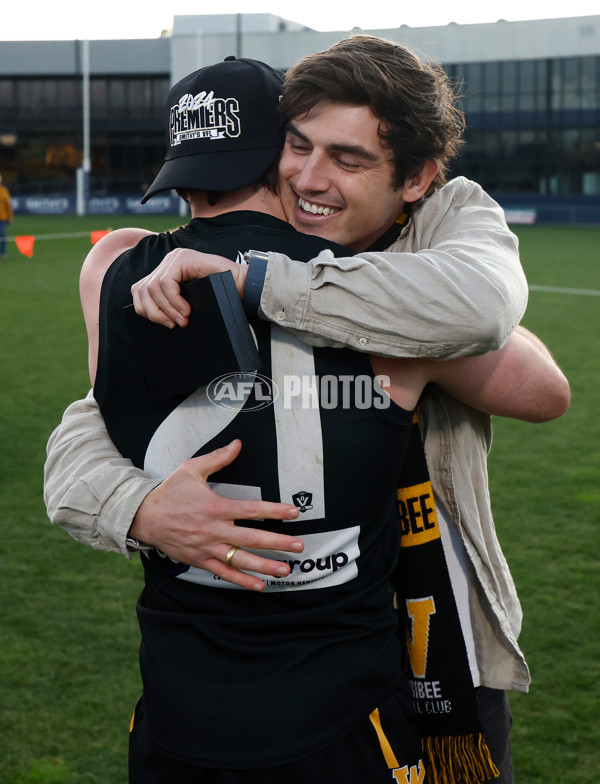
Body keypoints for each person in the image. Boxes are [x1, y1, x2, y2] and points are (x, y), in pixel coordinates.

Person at [43, 37, 569, 783]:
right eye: (296, 147)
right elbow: (91, 422)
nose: (310, 178)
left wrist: (257, 280)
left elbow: (532, 375)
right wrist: (138, 508)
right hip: (318, 679)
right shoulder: (169, 274)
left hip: (435, 636)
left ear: (417, 179)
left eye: (347, 160)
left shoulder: (436, 237)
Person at [0, 173, 13, 260]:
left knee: (3, 234)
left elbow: (8, 205)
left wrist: (10, 216)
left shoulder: (4, 191)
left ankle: (3, 252)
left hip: (3, 218)